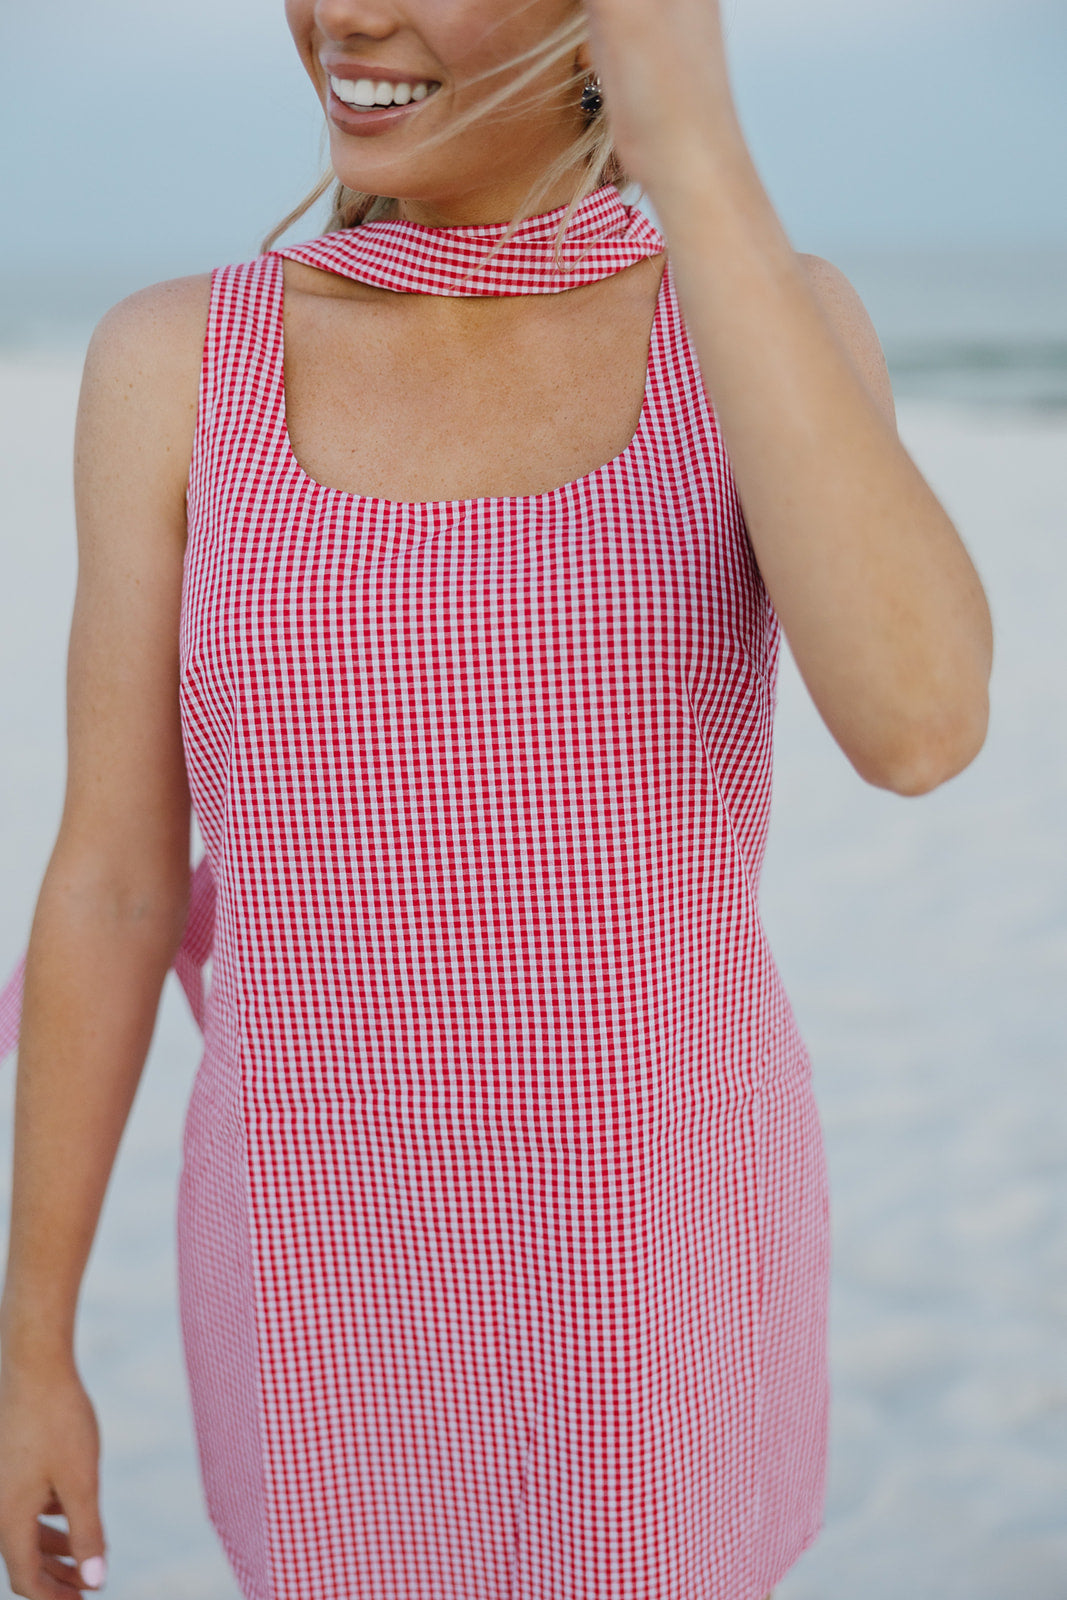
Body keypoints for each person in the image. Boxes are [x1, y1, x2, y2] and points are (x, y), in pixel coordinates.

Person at [0, 0, 993, 1596]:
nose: (348, 14)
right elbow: (116, 880)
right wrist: (31, 1345)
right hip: (316, 1280)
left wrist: (697, 149)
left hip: (660, 1275)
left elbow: (923, 723)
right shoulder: (177, 361)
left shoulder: (756, 323)